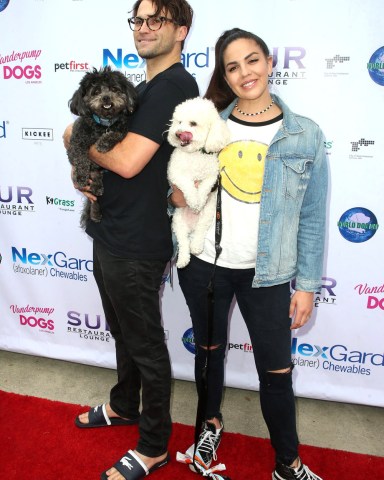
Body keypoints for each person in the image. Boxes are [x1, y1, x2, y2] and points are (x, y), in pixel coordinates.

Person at [171, 28, 328, 480]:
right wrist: (175, 197)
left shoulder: (304, 135)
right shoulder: (208, 124)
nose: (245, 73)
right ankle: (209, 425)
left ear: (269, 62)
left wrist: (308, 287)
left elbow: (313, 217)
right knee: (208, 353)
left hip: (270, 273)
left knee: (276, 372)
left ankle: (288, 463)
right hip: (207, 267)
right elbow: (180, 179)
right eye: (233, 66)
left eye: (252, 60)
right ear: (224, 73)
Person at [64, 1, 199, 479]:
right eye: (138, 20)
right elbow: (98, 145)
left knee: (145, 345)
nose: (143, 28)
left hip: (138, 242)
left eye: (156, 20)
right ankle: (124, 404)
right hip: (108, 228)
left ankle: (154, 444)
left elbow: (125, 161)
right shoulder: (140, 88)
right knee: (122, 333)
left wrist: (73, 138)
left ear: (181, 30)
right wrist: (77, 149)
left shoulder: (174, 87)